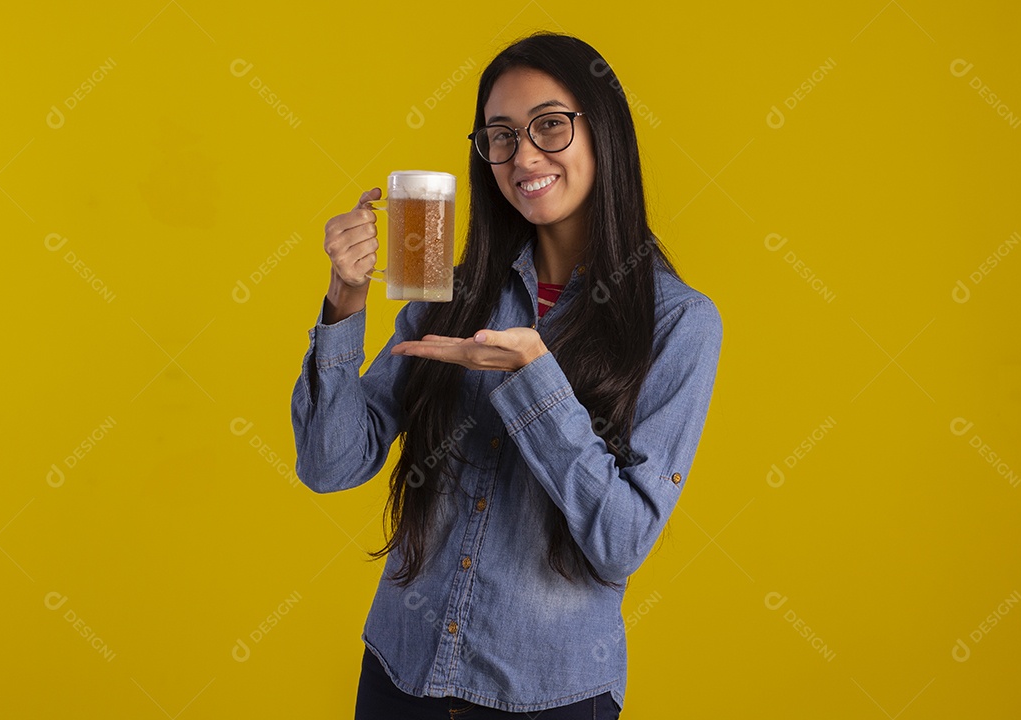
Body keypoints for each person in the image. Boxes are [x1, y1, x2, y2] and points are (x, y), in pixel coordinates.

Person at [291, 31, 723, 719]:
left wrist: (534, 380)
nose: (522, 156)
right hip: (400, 675)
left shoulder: (679, 324)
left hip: (547, 695)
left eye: (549, 125)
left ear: (603, 131)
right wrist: (345, 300)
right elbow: (330, 463)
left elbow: (620, 542)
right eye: (500, 135)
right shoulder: (450, 292)